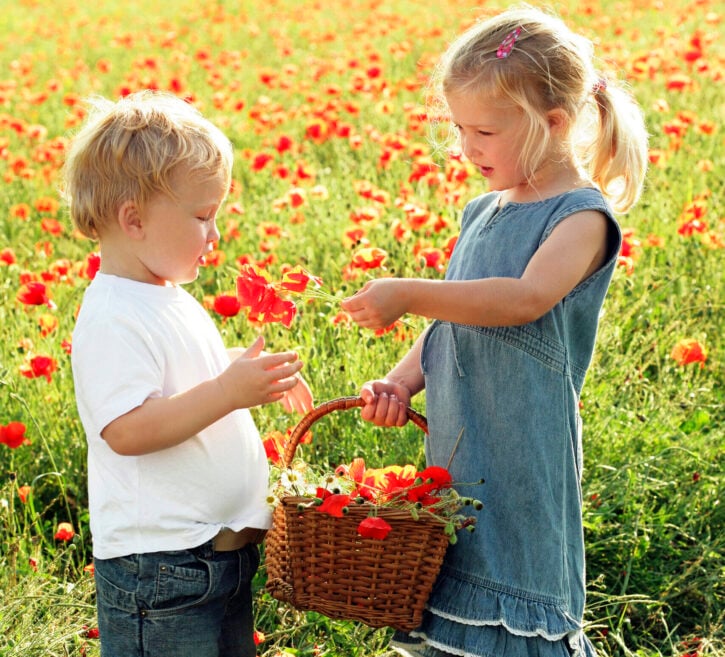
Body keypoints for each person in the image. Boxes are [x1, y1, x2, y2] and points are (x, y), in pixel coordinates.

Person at [341, 6, 647, 657]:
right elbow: (455, 316)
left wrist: (406, 291)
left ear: (553, 124)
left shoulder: (580, 218)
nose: (464, 147)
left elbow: (521, 300)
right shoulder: (481, 210)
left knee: (513, 592)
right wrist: (400, 380)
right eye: (457, 128)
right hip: (459, 448)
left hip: (520, 456)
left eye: (483, 130)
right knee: (450, 597)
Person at [64, 90, 313, 657]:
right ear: (134, 220)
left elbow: (179, 379)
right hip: (160, 568)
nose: (216, 235)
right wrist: (228, 392)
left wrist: (242, 371)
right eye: (203, 217)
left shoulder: (165, 295)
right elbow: (127, 430)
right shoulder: (112, 315)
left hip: (215, 560)